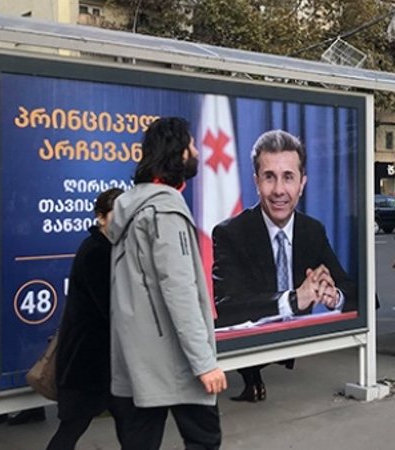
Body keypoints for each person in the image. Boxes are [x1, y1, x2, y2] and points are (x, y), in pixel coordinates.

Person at [108, 117, 227, 450]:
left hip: (135, 362)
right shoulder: (165, 212)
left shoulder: (130, 206)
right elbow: (179, 292)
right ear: (177, 153)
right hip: (175, 361)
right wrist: (204, 364)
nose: (197, 151)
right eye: (191, 145)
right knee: (204, 439)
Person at [212, 129, 356, 402]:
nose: (279, 190)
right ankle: (252, 379)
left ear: (302, 183)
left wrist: (333, 294)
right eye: (269, 177)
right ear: (256, 182)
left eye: (288, 177)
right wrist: (294, 299)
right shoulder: (231, 232)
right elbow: (228, 307)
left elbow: (359, 293)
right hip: (255, 339)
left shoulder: (312, 230)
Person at [46, 188, 123, 450]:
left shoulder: (110, 248)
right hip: (88, 362)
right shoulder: (96, 252)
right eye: (117, 214)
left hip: (104, 362)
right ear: (100, 217)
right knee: (72, 428)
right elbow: (110, 306)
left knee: (132, 425)